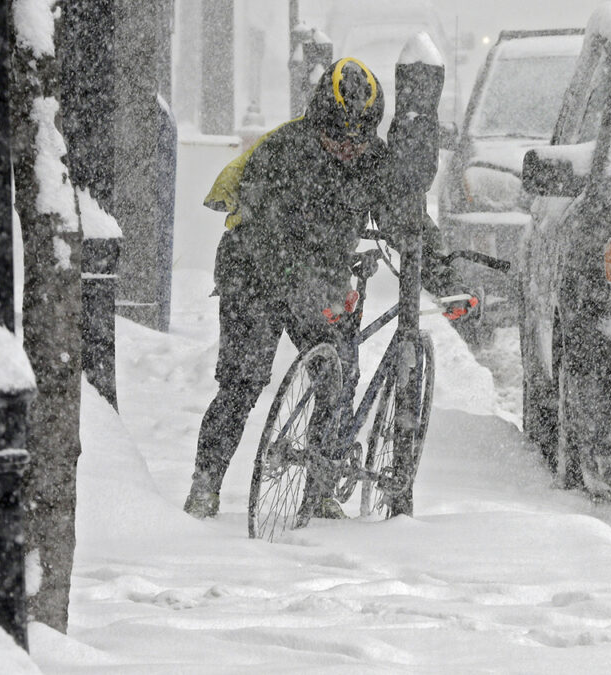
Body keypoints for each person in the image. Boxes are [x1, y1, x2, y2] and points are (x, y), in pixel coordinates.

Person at [185, 58, 478, 519]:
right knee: (243, 381)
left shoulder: (371, 161)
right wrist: (315, 290)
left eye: (361, 136)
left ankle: (319, 488)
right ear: (318, 121)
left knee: (338, 373)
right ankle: (205, 486)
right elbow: (267, 241)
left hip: (315, 278)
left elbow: (407, 222)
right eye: (339, 135)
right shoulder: (283, 152)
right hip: (253, 273)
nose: (349, 147)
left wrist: (446, 281)